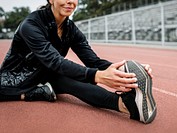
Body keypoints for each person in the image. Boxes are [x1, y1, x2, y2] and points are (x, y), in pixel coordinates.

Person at [0, 0, 156, 124]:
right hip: (18, 77)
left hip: (47, 73)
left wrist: (127, 71)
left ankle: (128, 106)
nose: (70, 2)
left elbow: (93, 61)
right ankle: (33, 93)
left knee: (69, 79)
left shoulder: (70, 29)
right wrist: (98, 76)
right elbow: (54, 60)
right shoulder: (31, 25)